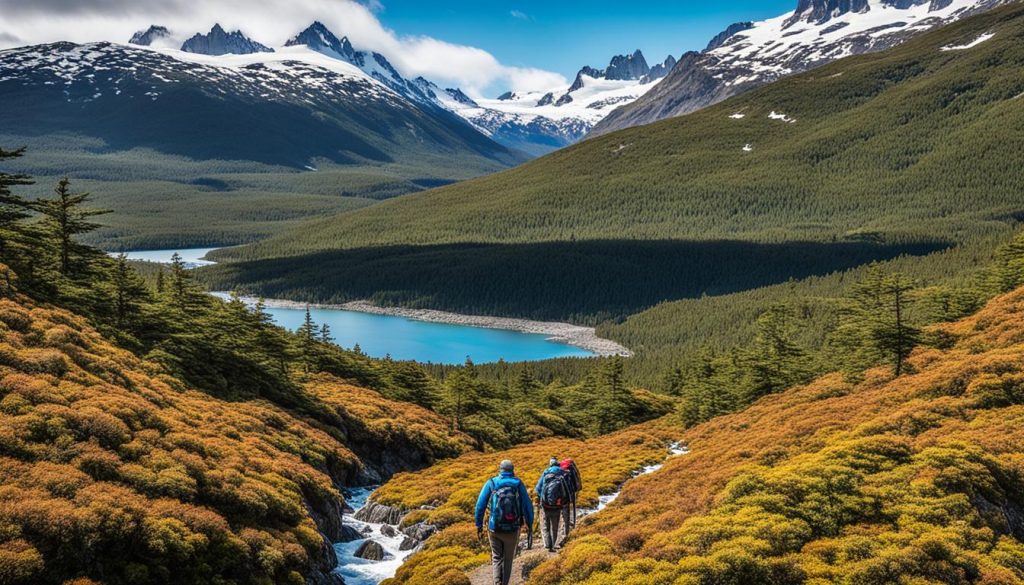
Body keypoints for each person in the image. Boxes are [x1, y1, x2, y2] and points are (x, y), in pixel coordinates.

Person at [475, 459, 534, 585]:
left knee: (496, 557)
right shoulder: (518, 484)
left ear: (500, 469)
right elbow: (528, 506)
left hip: (494, 528)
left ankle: (497, 582)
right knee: (508, 560)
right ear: (512, 470)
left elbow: (480, 505)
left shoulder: (491, 483)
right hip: (513, 528)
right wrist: (530, 523)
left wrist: (479, 525)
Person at [535, 457, 572, 551]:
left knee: (545, 523)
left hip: (545, 504)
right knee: (555, 524)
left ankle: (547, 543)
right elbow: (569, 489)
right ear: (558, 464)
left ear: (550, 464)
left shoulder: (546, 472)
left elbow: (538, 488)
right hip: (558, 504)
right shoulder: (564, 473)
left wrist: (544, 498)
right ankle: (556, 542)